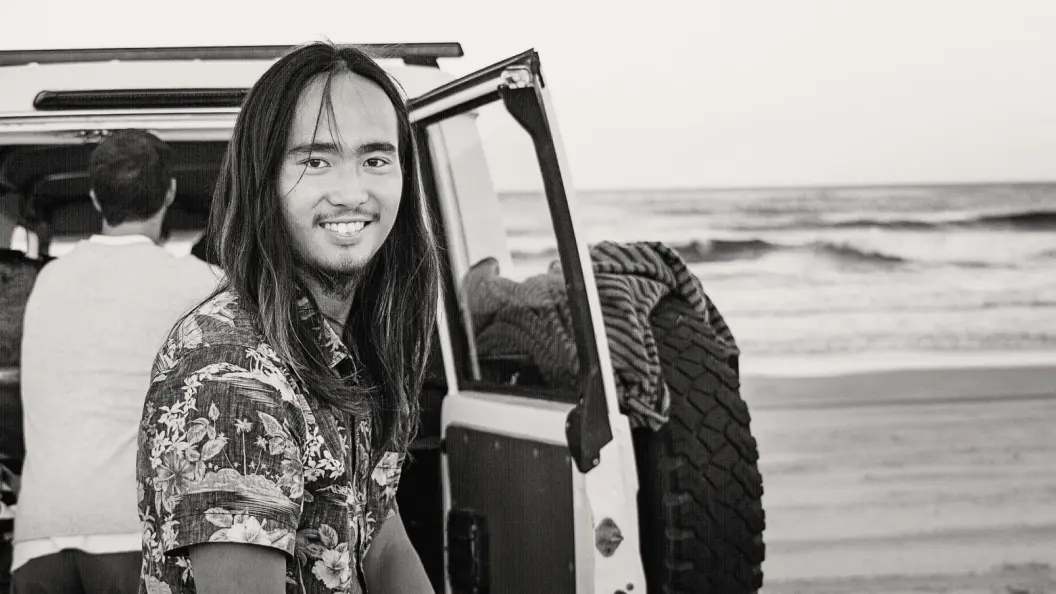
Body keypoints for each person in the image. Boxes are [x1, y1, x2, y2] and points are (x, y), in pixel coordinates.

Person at [137, 42, 440, 593]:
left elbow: (381, 539)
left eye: (375, 159)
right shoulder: (229, 374)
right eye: (316, 160)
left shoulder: (347, 348)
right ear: (265, 180)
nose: (352, 192)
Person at [12, 130, 221, 593]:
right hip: (136, 534)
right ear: (168, 192)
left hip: (38, 537)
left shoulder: (47, 282)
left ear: (93, 196)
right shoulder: (201, 284)